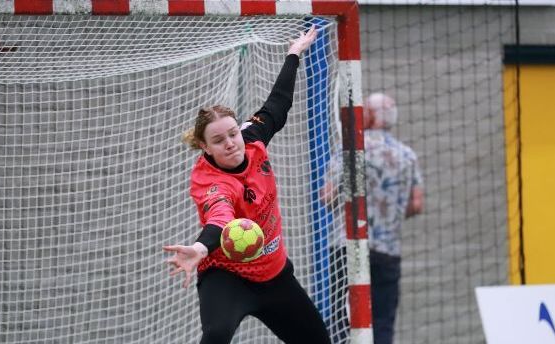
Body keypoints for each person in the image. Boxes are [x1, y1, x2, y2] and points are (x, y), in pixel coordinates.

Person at [162, 27, 332, 344]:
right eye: (218, 140)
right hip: (228, 277)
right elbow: (220, 219)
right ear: (204, 146)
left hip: (274, 274)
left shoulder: (252, 139)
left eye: (232, 134)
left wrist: (293, 54)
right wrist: (199, 249)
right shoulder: (210, 181)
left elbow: (278, 104)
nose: (230, 143)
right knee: (216, 335)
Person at [321, 92, 424, 344]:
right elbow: (416, 204)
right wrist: (391, 212)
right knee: (383, 322)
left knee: (343, 320)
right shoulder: (407, 155)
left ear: (372, 116)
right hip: (387, 251)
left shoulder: (350, 148)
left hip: (348, 248)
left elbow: (327, 196)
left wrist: (347, 201)